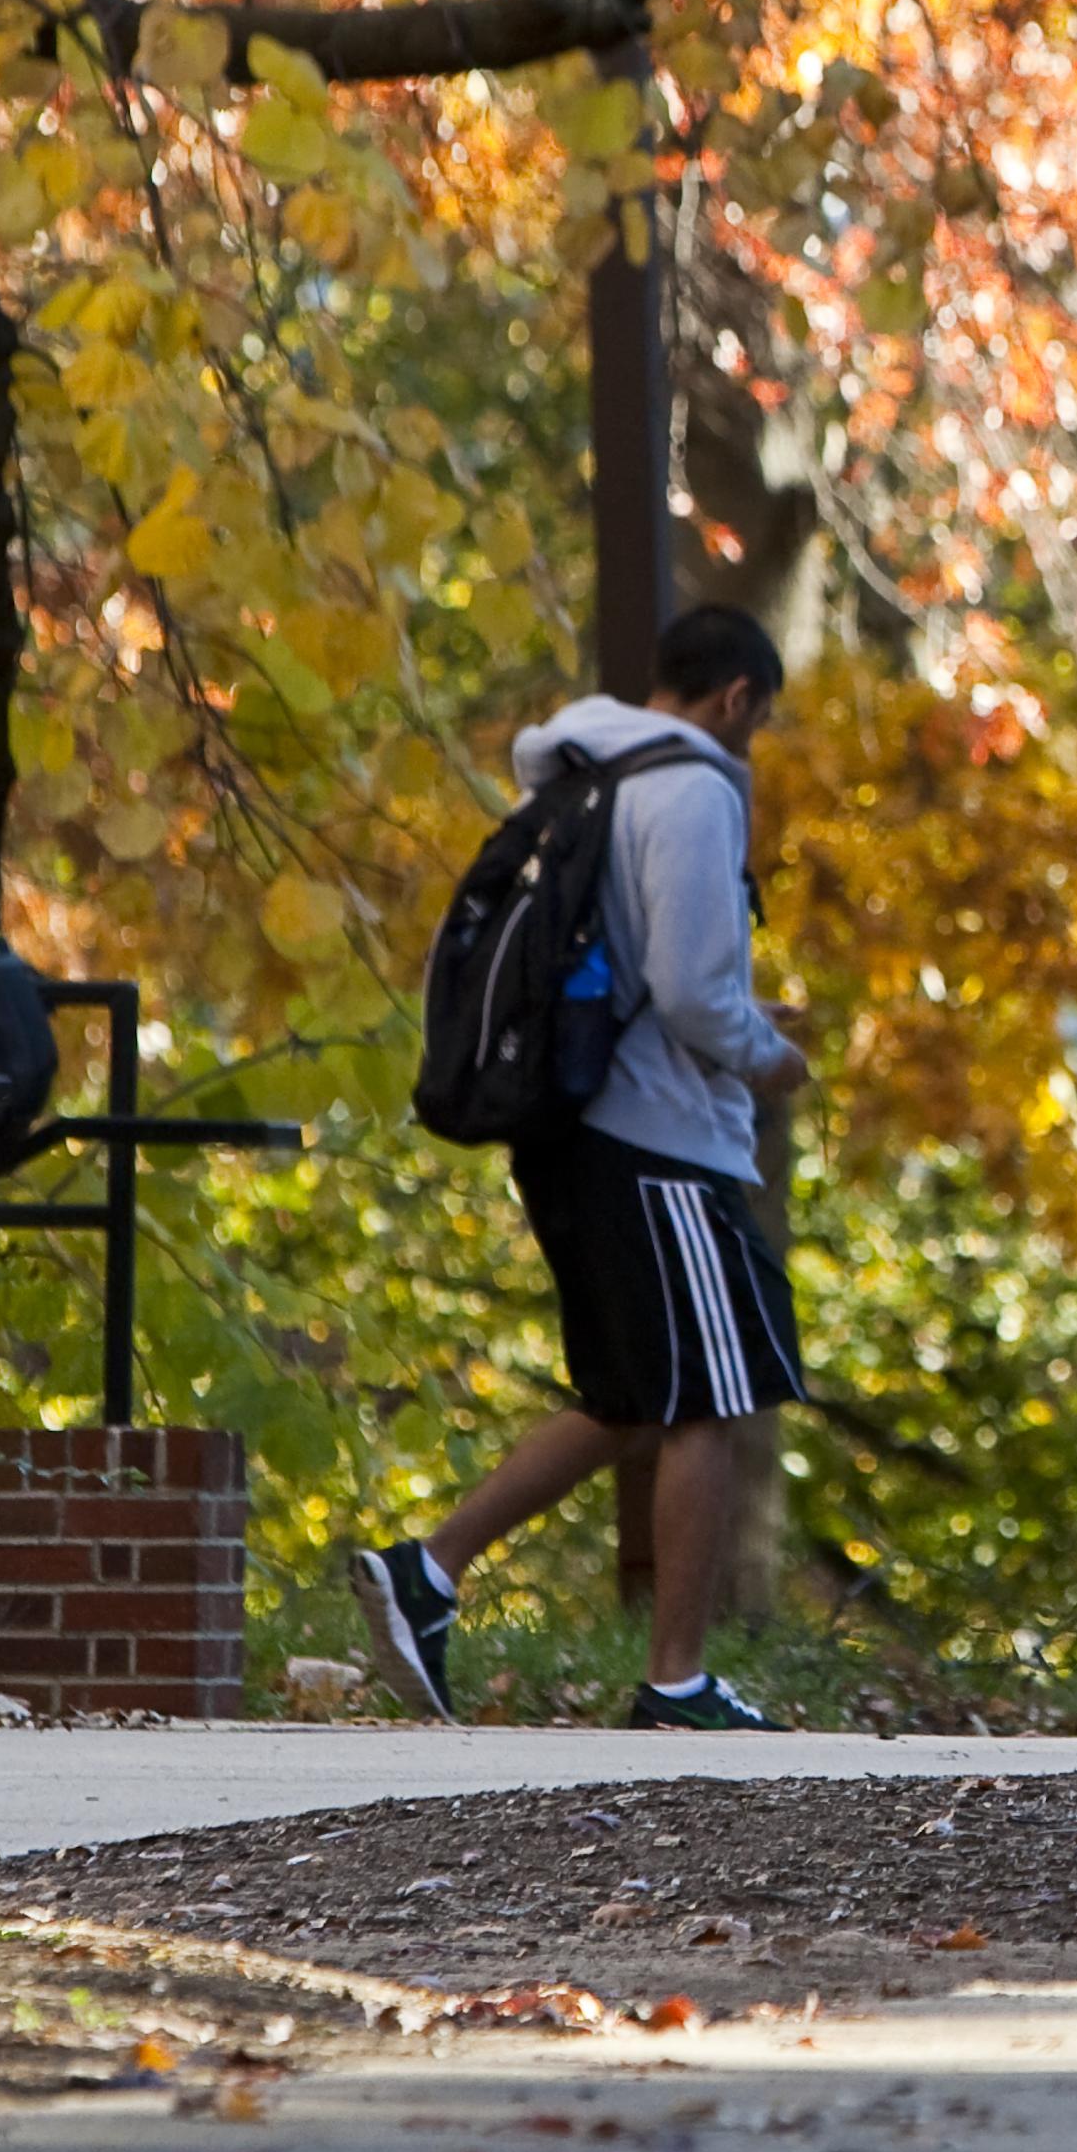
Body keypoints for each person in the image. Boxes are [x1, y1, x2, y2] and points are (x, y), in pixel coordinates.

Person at [348, 604, 811, 1731]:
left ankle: (427, 1570)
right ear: (738, 698)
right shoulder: (693, 789)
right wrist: (769, 1054)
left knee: (625, 1396)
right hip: (658, 1140)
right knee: (718, 1391)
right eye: (760, 718)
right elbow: (696, 993)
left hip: (564, 1130)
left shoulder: (568, 782)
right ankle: (677, 1681)